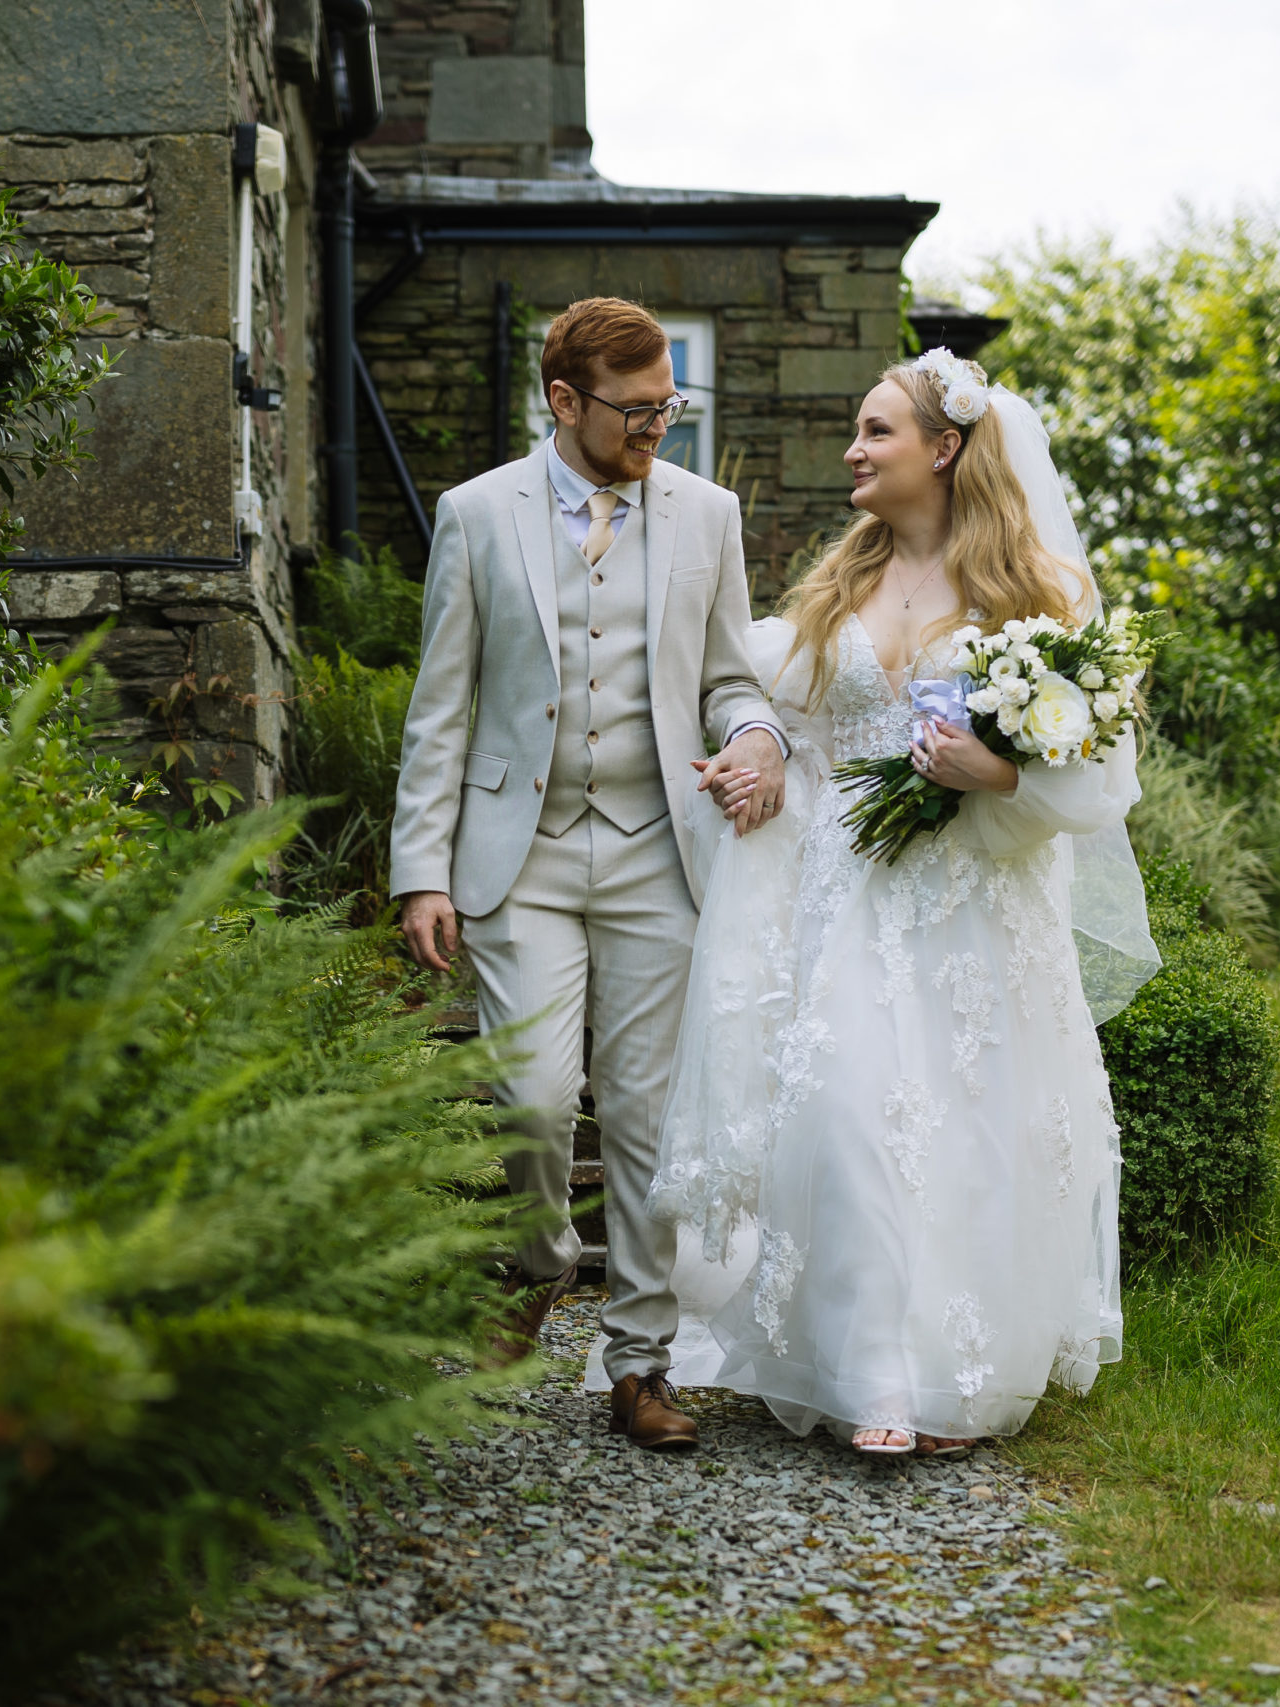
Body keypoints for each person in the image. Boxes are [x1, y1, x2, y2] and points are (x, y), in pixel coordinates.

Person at [644, 350, 1157, 1455]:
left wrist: (1004, 776)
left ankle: (938, 1377)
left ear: (945, 447)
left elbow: (1100, 777)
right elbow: (779, 709)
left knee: (967, 1132)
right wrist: (760, 753)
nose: (853, 451)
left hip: (977, 902)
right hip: (847, 895)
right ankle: (869, 1373)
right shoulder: (839, 585)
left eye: (876, 431)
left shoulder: (1044, 598)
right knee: (844, 1113)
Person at [389, 297, 790, 1451]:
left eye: (670, 403)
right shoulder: (475, 515)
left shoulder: (707, 518)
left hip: (658, 851)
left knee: (650, 1120)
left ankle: (639, 1364)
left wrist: (755, 739)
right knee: (527, 1097)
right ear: (563, 402)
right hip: (524, 853)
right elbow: (440, 709)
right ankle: (540, 1258)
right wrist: (422, 870)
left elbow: (727, 680)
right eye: (635, 408)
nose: (657, 425)